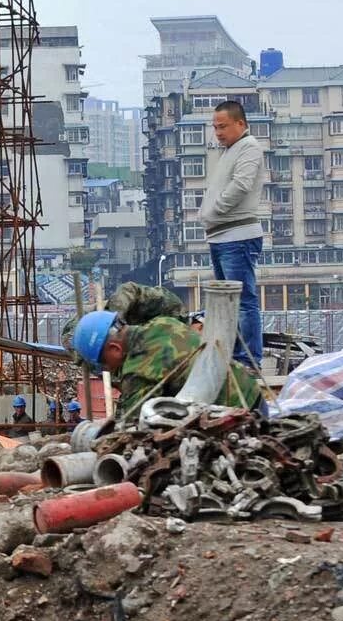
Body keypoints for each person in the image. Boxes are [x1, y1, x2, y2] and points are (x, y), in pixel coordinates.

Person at [71, 308, 261, 425]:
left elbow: (131, 428)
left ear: (114, 348)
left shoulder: (137, 371)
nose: (108, 370)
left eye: (104, 364)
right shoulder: (162, 323)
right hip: (252, 393)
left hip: (233, 418)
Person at [203, 99, 266, 370]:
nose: (218, 132)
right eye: (215, 127)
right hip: (220, 235)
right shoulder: (229, 150)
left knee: (242, 301)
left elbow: (241, 185)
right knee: (228, 303)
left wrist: (215, 210)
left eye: (223, 126)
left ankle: (248, 360)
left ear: (240, 123)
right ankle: (234, 355)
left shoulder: (249, 147)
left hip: (237, 234)